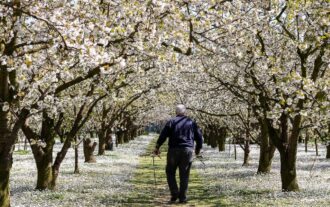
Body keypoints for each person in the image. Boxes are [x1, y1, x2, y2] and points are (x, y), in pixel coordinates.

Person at [153, 104, 203, 203]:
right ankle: (182, 197)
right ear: (185, 112)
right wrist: (198, 149)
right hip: (187, 150)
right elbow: (199, 137)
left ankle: (174, 192)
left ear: (176, 112)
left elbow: (163, 135)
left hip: (173, 150)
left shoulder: (171, 121)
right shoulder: (191, 122)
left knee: (170, 172)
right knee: (184, 174)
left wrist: (157, 147)